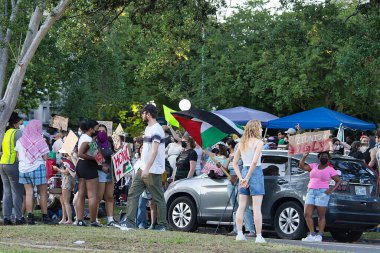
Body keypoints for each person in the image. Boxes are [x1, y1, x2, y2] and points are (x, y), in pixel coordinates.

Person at [120, 104, 168, 231]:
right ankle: (129, 222)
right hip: (143, 167)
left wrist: (146, 168)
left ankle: (162, 225)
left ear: (148, 114)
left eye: (143, 113)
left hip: (152, 170)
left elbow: (154, 151)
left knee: (158, 198)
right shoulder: (148, 128)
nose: (141, 115)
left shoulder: (157, 129)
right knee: (132, 193)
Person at [233, 120, 266, 243]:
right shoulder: (259, 142)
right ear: (256, 128)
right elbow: (254, 162)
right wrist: (247, 177)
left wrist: (241, 177)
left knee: (241, 206)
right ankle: (258, 236)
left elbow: (235, 163)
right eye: (261, 127)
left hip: (244, 171)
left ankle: (240, 234)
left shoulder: (242, 142)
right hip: (255, 172)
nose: (262, 129)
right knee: (257, 208)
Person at [15, 120, 51, 225]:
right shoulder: (40, 140)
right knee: (43, 193)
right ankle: (45, 216)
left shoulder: (20, 141)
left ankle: (30, 217)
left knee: (29, 193)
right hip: (37, 167)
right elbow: (45, 158)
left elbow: (18, 157)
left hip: (23, 169)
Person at [299, 152, 341, 242]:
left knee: (321, 216)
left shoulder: (330, 169)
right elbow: (302, 166)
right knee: (307, 214)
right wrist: (304, 157)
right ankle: (312, 234)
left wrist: (331, 190)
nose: (323, 157)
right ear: (319, 157)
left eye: (325, 156)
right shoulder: (313, 166)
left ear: (328, 159)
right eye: (322, 156)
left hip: (322, 192)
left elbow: (338, 180)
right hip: (310, 191)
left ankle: (320, 235)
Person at [226, 139, 255, 237]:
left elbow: (243, 170)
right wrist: (229, 159)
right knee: (234, 207)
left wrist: (239, 178)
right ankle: (236, 229)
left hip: (239, 181)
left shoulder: (244, 159)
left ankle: (251, 229)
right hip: (230, 182)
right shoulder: (232, 157)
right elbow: (225, 169)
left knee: (243, 206)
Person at [0, 112, 25, 225]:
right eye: (20, 124)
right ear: (15, 124)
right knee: (17, 191)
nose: (21, 126)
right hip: (13, 164)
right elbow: (22, 149)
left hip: (3, 163)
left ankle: (6, 217)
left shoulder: (5, 132)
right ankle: (19, 217)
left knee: (7, 192)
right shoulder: (17, 132)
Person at [75, 119, 101, 227]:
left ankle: (80, 220)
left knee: (81, 194)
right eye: (96, 128)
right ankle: (93, 221)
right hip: (88, 166)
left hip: (81, 166)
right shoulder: (88, 139)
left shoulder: (84, 137)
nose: (98, 130)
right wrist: (94, 159)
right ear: (91, 129)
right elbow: (80, 153)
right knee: (92, 196)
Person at [96, 124, 117, 226]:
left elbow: (113, 154)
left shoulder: (109, 142)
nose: (101, 133)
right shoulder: (94, 143)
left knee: (109, 196)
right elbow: (95, 158)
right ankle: (94, 218)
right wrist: (101, 167)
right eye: (99, 131)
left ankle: (110, 219)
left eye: (103, 131)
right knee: (98, 197)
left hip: (110, 171)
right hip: (100, 172)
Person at [53, 148, 75, 225]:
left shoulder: (69, 159)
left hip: (67, 180)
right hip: (66, 180)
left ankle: (69, 219)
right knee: (63, 201)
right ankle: (64, 218)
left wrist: (57, 169)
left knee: (66, 202)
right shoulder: (69, 158)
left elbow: (66, 172)